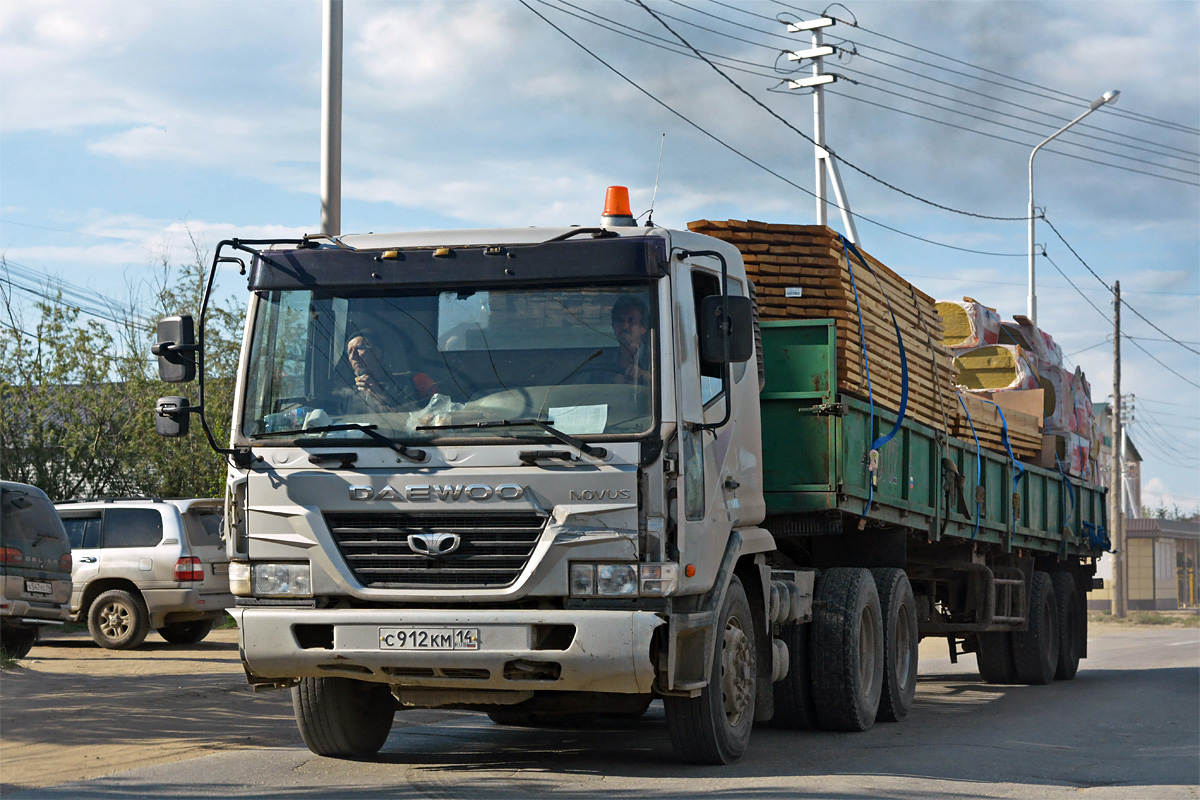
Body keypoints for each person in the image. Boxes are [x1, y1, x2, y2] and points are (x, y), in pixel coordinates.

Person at [344, 332, 437, 413]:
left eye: (359, 348)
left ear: (377, 352)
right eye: (349, 352)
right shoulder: (351, 393)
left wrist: (378, 395)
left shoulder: (403, 385)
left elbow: (412, 421)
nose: (353, 356)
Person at [610, 294, 651, 385]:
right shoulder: (603, 361)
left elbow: (670, 387)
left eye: (631, 320)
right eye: (620, 320)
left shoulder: (655, 358)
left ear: (643, 327)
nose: (625, 326)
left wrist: (645, 376)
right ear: (613, 326)